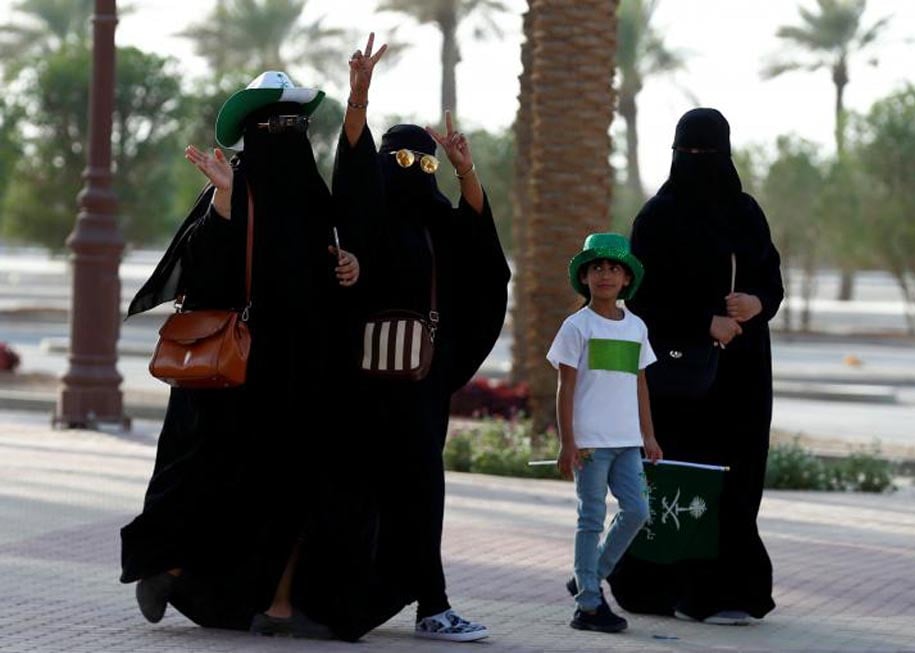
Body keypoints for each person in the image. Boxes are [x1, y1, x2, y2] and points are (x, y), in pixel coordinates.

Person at [119, 70, 366, 640]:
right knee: (215, 478)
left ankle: (279, 605)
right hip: (237, 377)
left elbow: (324, 266)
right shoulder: (234, 184)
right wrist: (226, 206)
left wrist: (350, 266)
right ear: (255, 132)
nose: (292, 134)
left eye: (299, 124)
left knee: (298, 487)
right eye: (280, 125)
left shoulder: (311, 194)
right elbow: (202, 272)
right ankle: (170, 568)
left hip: (299, 373)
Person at [331, 34, 510, 642]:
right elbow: (352, 171)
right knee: (358, 494)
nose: (414, 170)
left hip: (420, 384)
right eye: (402, 160)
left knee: (421, 492)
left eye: (425, 163)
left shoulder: (437, 223)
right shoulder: (369, 214)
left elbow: (484, 251)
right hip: (362, 385)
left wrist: (463, 168)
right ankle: (344, 603)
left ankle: (432, 606)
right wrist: (359, 98)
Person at [608, 107, 784, 625]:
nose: (697, 162)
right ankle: (658, 588)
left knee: (738, 478)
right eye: (689, 153)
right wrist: (704, 322)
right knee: (681, 479)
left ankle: (729, 592)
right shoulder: (657, 218)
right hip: (681, 377)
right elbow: (640, 298)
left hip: (743, 374)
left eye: (707, 153)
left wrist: (756, 303)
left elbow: (772, 279)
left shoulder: (746, 213)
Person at [546, 233, 663, 633]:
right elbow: (565, 388)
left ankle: (589, 576)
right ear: (585, 277)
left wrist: (649, 435)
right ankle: (589, 606)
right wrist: (568, 442)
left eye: (614, 268)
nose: (605, 275)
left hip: (628, 442)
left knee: (637, 511)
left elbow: (640, 385)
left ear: (627, 279)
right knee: (591, 518)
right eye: (597, 267)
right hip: (590, 445)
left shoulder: (636, 327)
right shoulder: (576, 326)